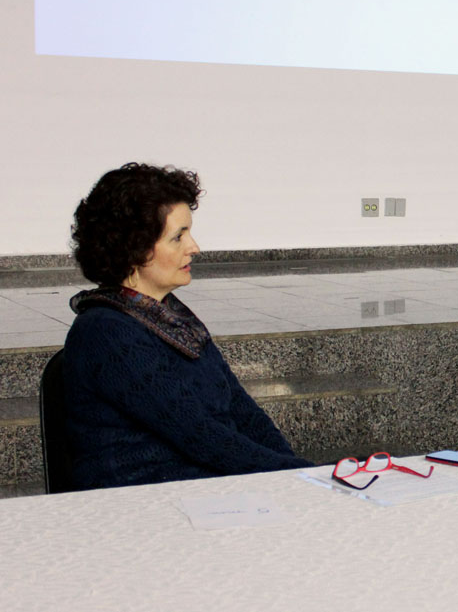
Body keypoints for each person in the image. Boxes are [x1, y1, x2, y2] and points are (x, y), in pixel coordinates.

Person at [61, 163, 311, 489]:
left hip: (201, 490)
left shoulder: (174, 318)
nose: (193, 247)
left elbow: (243, 412)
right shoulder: (105, 332)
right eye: (178, 237)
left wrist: (297, 473)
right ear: (134, 249)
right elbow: (200, 435)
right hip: (142, 502)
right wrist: (299, 475)